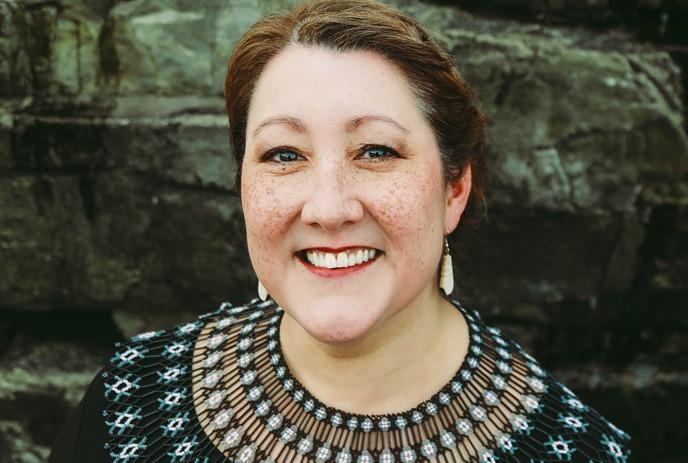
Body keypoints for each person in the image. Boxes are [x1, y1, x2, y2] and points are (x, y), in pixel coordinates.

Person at [49, 0, 632, 462]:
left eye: (376, 150)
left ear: (454, 189)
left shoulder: (576, 449)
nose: (328, 208)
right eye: (283, 154)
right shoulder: (132, 405)